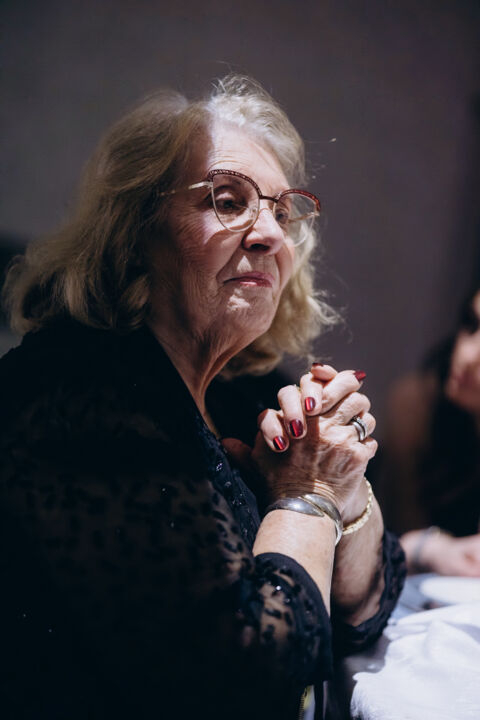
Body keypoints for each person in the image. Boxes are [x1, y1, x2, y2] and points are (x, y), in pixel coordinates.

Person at [0, 76, 405, 720]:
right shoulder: (80, 398)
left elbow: (364, 610)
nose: (269, 234)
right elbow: (248, 683)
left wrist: (345, 484)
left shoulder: (246, 391)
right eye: (227, 201)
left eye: (281, 212)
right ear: (137, 230)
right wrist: (308, 496)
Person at [377, 287, 480, 576]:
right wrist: (429, 548)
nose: (467, 355)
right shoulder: (416, 407)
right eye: (471, 324)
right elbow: (386, 548)